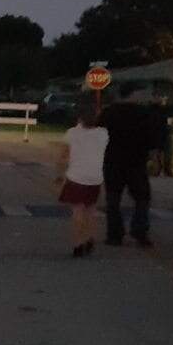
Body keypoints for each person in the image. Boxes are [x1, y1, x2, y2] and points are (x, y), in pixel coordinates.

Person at [99, 86, 153, 248]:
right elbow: (152, 136)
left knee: (113, 198)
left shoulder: (108, 113)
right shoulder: (144, 114)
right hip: (136, 161)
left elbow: (99, 135)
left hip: (113, 161)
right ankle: (140, 230)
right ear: (134, 94)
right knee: (142, 198)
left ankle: (115, 234)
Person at [58, 100, 108, 258]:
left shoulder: (71, 133)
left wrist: (60, 174)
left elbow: (63, 156)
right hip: (95, 177)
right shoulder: (103, 133)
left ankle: (78, 243)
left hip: (76, 177)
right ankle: (88, 237)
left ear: (79, 117)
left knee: (77, 211)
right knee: (91, 211)